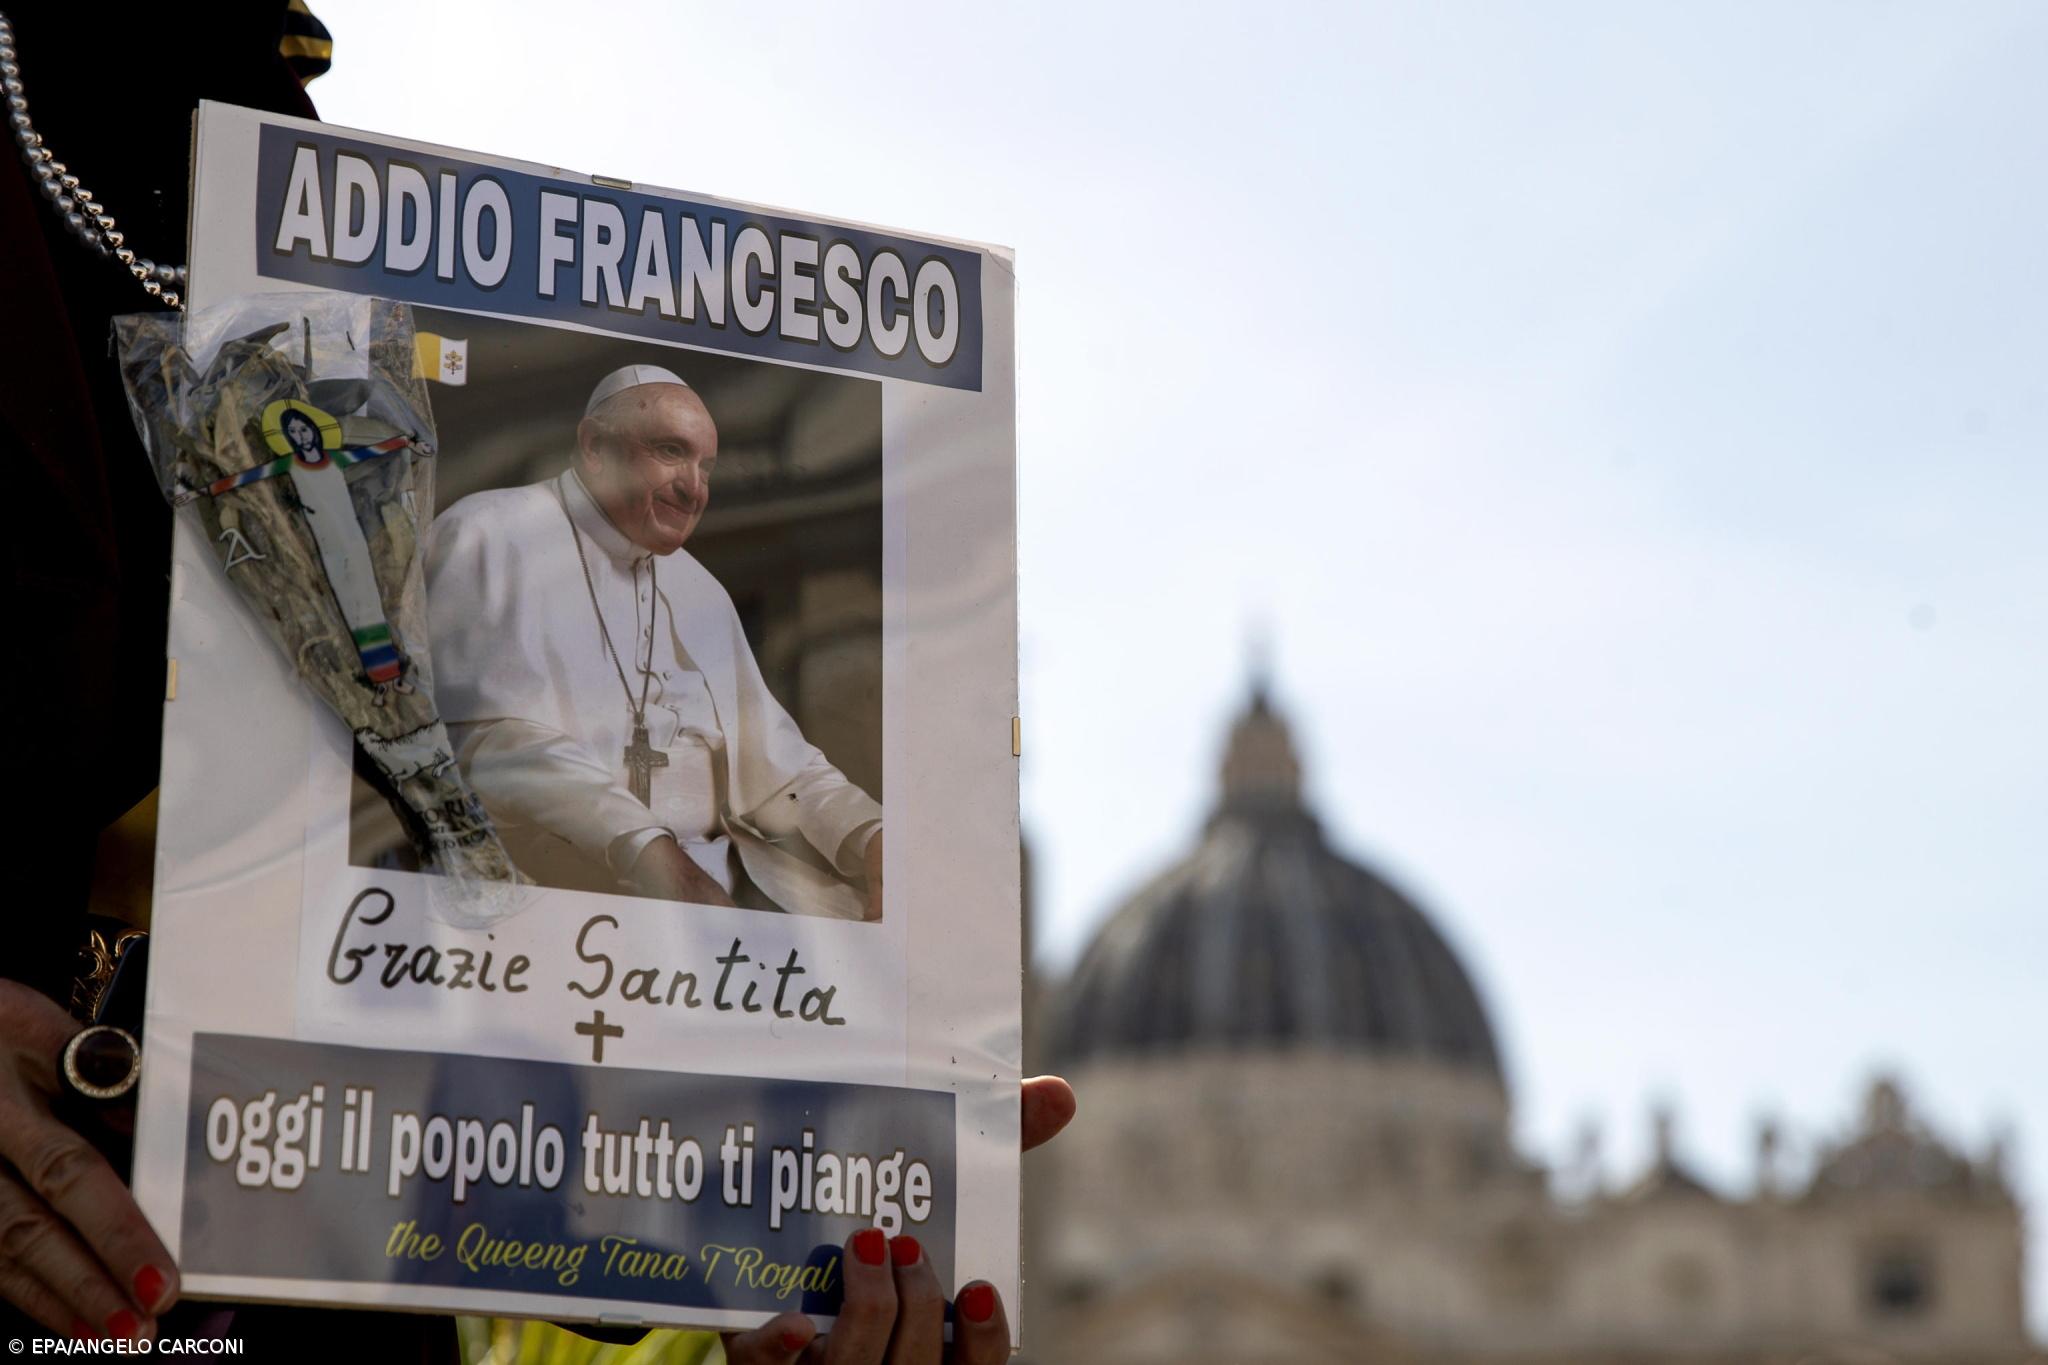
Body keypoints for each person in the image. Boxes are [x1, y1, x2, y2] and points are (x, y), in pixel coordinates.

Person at [0, 6, 1073, 1359]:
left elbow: (769, 760)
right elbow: (479, 751)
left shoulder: (307, 175)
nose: (684, 485)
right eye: (657, 454)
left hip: (293, 1240)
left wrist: (786, 1206)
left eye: (700, 460)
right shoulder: (499, 538)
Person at [427, 365, 885, 919]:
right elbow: (486, 742)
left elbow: (780, 771)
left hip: (710, 917)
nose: (694, 489)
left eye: (706, 466)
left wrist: (870, 837)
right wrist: (651, 853)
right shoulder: (488, 533)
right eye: (671, 452)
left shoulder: (700, 590)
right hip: (542, 907)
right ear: (595, 446)